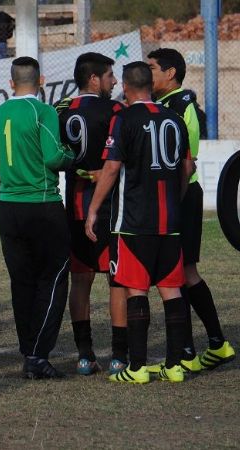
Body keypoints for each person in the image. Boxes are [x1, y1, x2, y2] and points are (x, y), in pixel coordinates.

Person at [85, 61, 194, 384]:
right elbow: (187, 168)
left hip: (132, 220)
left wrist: (93, 210)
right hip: (169, 220)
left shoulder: (124, 118)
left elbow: (111, 168)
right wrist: (177, 200)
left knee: (136, 290)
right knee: (172, 290)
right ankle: (175, 365)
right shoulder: (174, 118)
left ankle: (137, 367)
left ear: (128, 89)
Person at [147, 47, 235, 372]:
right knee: (181, 272)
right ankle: (213, 345)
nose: (148, 74)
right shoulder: (164, 105)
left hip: (182, 194)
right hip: (177, 194)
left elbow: (188, 160)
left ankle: (190, 353)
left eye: (152, 68)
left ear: (170, 73)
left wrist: (173, 200)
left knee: (179, 272)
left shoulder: (183, 106)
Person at [0, 57, 74, 379]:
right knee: (53, 277)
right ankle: (38, 354)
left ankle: (29, 351)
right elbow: (55, 156)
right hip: (42, 204)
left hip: (9, 207)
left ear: (11, 83)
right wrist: (75, 155)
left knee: (21, 282)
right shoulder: (44, 112)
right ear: (41, 81)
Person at [55, 52, 127, 376]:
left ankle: (85, 356)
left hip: (76, 207)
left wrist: (80, 171)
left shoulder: (60, 110)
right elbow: (120, 160)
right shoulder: (115, 110)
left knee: (80, 280)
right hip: (112, 208)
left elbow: (53, 154)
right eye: (110, 76)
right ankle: (119, 356)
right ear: (95, 79)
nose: (114, 82)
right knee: (118, 282)